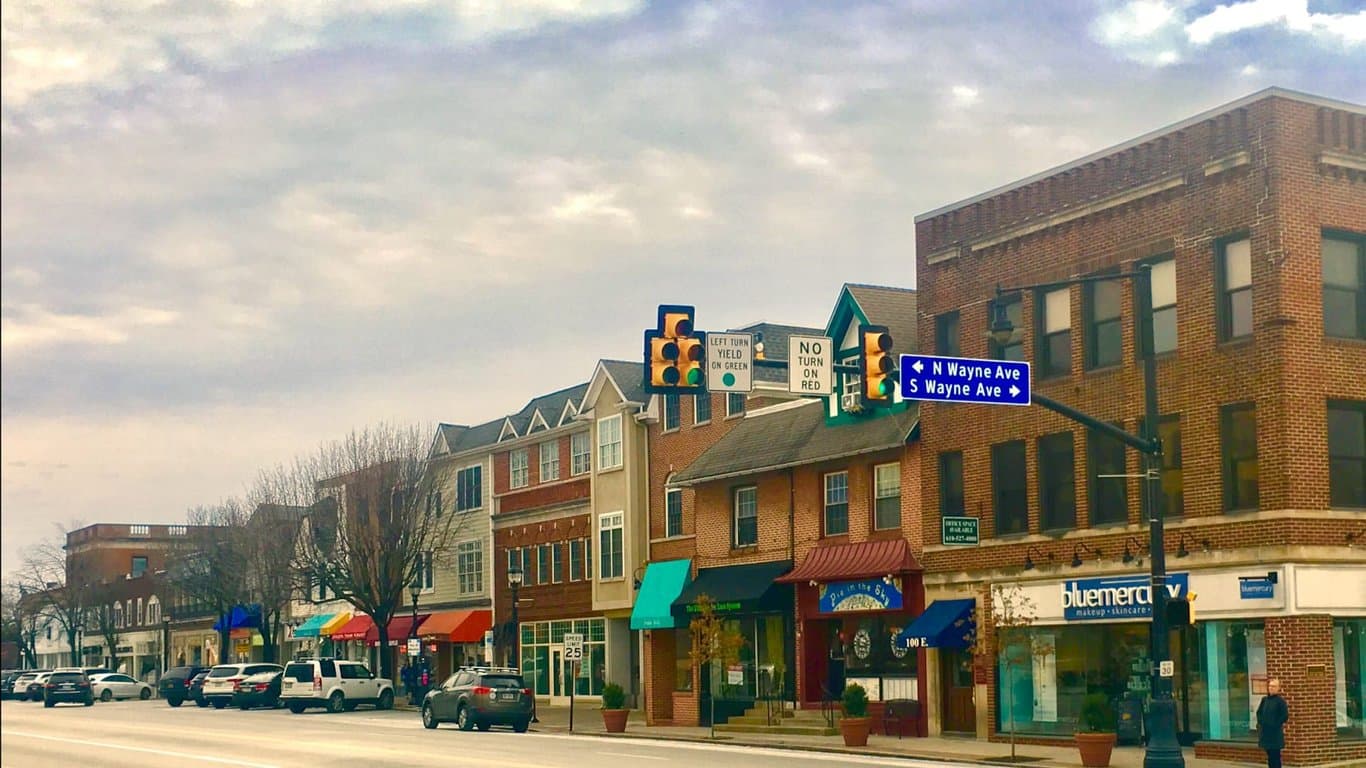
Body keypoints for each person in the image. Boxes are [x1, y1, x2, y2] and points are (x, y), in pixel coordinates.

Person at [1256, 678, 1289, 768]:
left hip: (1275, 733)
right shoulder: (1265, 700)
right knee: (1270, 755)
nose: (1271, 688)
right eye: (1270, 686)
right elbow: (1259, 712)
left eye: (1274, 686)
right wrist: (1261, 722)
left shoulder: (1280, 702)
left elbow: (1284, 716)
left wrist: (1275, 724)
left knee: (1275, 756)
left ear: (1278, 688)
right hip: (1265, 732)